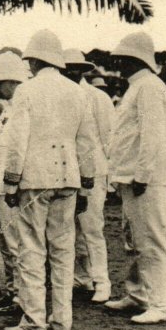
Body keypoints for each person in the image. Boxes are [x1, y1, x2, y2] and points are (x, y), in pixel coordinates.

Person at [1, 31, 95, 330]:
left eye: (30, 60)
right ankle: (62, 321)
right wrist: (86, 185)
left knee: (32, 249)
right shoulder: (78, 92)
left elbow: (16, 141)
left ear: (37, 59)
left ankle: (35, 321)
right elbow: (86, 142)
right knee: (63, 250)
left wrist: (11, 183)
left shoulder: (25, 92)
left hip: (34, 179)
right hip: (68, 178)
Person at [104, 32, 166, 325]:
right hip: (131, 175)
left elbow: (153, 135)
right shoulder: (137, 87)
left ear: (136, 59)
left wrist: (143, 174)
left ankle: (162, 304)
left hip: (147, 177)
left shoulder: (149, 87)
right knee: (133, 238)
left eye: (123, 58)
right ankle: (138, 295)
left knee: (154, 240)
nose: (118, 63)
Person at [63, 48, 115, 304]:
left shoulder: (97, 97)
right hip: (67, 172)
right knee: (71, 228)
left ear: (83, 71)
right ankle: (81, 277)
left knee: (92, 228)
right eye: (67, 67)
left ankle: (102, 281)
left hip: (94, 171)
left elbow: (108, 138)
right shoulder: (60, 96)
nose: (72, 72)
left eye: (77, 68)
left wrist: (108, 175)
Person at [0, 52, 29, 314]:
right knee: (4, 241)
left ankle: (20, 297)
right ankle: (12, 291)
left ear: (11, 81)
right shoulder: (6, 112)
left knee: (14, 242)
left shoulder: (20, 109)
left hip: (10, 188)